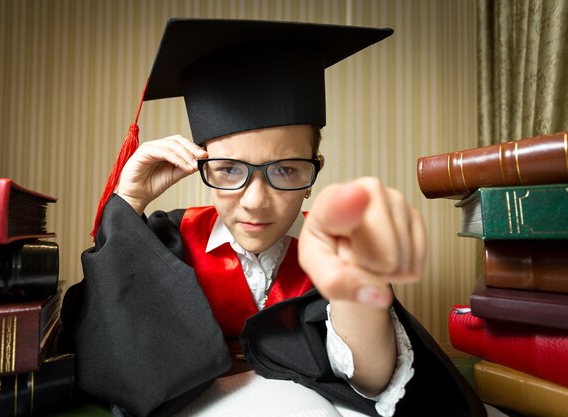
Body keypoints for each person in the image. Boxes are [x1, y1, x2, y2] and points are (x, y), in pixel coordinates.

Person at [60, 18, 486, 417]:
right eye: (229, 170)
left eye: (285, 169)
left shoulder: (333, 248)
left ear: (314, 168)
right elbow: (105, 345)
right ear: (200, 165)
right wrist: (129, 200)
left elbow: (373, 380)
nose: (256, 201)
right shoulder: (167, 239)